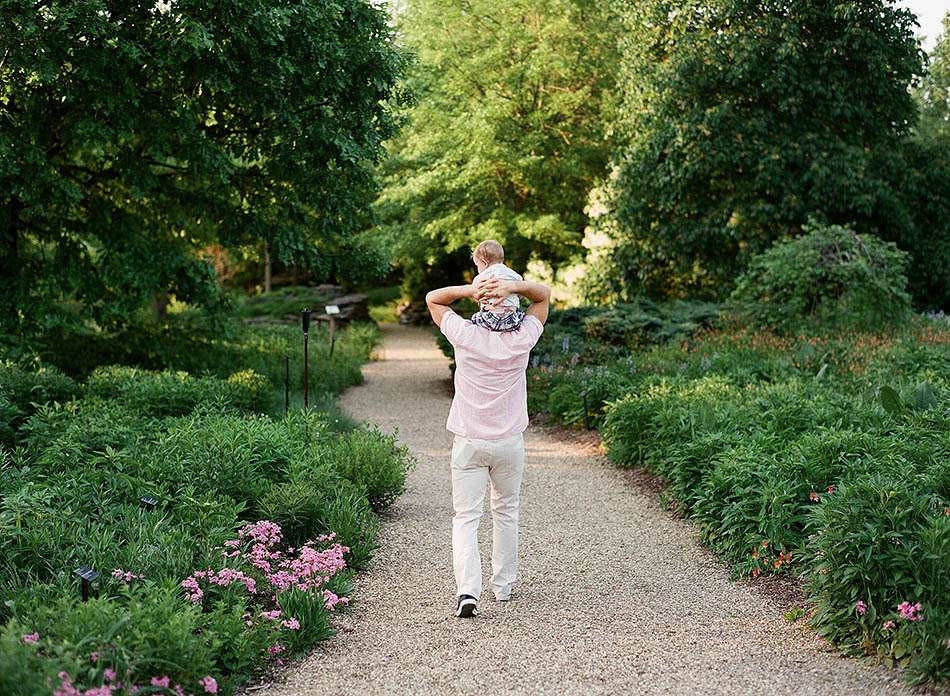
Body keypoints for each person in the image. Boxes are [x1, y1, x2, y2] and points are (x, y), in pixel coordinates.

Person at [425, 270, 551, 619]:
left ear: (482, 304)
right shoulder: (523, 337)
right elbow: (542, 296)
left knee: (466, 517)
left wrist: (469, 289)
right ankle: (503, 585)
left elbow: (433, 298)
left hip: (469, 441)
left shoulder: (465, 334)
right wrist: (513, 286)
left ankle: (468, 591)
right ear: (513, 307)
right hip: (509, 442)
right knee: (506, 511)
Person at [468, 239, 525, 332]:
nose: (478, 269)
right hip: (512, 320)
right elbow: (521, 291)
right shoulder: (514, 275)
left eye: (477, 265)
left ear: (484, 263)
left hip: (490, 319)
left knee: (475, 318)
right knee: (521, 313)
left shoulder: (480, 278)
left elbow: (476, 294)